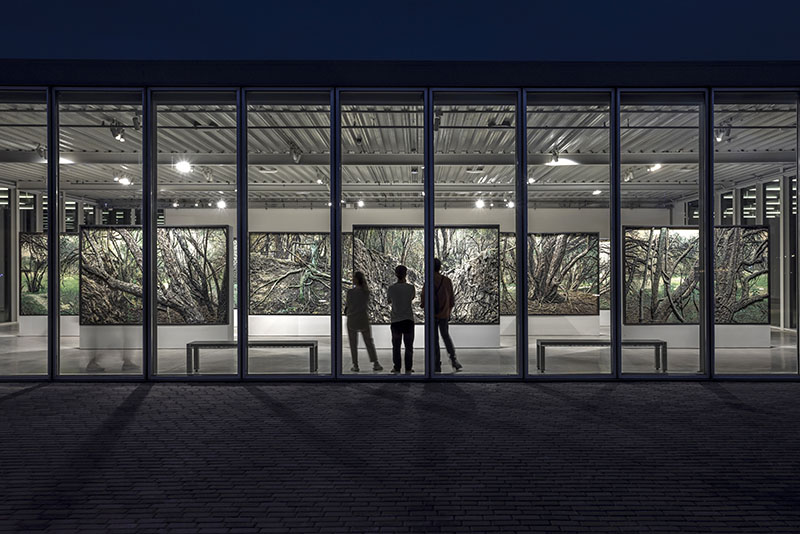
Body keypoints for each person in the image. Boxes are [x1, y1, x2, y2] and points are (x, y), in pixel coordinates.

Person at [421, 258, 463, 373]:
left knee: (434, 340)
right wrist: (448, 312)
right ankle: (454, 360)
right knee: (446, 337)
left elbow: (423, 300)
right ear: (439, 267)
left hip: (431, 316)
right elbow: (452, 301)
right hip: (444, 315)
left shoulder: (428, 281)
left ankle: (436, 365)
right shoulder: (447, 281)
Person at [344, 271, 383, 373]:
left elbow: (348, 305)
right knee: (369, 342)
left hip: (352, 319)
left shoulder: (350, 293)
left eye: (353, 278)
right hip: (363, 319)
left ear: (356, 279)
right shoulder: (366, 292)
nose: (352, 279)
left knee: (353, 344)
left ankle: (355, 365)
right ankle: (376, 363)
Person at [387, 265, 415, 374]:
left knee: (396, 346)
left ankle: (397, 367)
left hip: (395, 320)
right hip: (408, 319)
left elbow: (389, 301)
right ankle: (408, 368)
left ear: (395, 274)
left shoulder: (391, 288)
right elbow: (411, 298)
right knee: (409, 346)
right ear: (406, 274)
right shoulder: (411, 288)